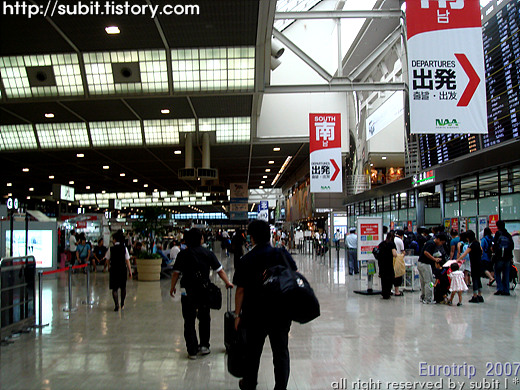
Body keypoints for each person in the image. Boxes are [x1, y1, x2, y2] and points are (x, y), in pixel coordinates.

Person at [233, 220, 297, 390]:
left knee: (252, 352)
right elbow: (294, 275)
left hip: (254, 314)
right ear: (269, 235)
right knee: (281, 352)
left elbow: (240, 290)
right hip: (280, 312)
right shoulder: (281, 254)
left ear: (251, 238)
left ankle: (249, 383)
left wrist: (237, 314)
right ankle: (280, 387)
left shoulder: (246, 259)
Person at [170, 228, 233, 359]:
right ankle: (204, 346)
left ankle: (192, 350)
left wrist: (172, 287)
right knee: (204, 318)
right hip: (204, 291)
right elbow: (219, 271)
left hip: (187, 292)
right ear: (201, 239)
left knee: (189, 320)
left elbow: (176, 273)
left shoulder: (183, 254)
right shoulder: (207, 253)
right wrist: (227, 282)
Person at [417, 233, 447, 304]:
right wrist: (434, 259)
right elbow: (426, 252)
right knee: (429, 282)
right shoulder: (432, 244)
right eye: (441, 242)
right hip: (425, 265)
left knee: (423, 282)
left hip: (420, 263)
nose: (440, 244)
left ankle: (423, 296)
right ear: (438, 239)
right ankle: (428, 299)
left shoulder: (429, 242)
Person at [106, 230, 132, 311]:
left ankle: (116, 305)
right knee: (123, 287)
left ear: (115, 239)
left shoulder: (111, 249)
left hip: (114, 269)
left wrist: (108, 266)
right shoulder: (124, 249)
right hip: (122, 269)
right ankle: (122, 303)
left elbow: (107, 259)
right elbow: (127, 260)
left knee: (114, 288)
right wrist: (130, 271)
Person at [457, 230, 484, 303]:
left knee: (474, 279)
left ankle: (475, 296)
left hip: (474, 264)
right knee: (478, 279)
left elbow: (464, 254)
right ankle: (480, 295)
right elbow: (481, 250)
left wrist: (457, 260)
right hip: (479, 263)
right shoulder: (477, 243)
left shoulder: (471, 245)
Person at [492, 220, 514, 296]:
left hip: (499, 257)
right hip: (507, 258)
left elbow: (494, 245)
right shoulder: (508, 235)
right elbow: (512, 246)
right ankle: (506, 290)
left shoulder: (498, 234)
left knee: (497, 273)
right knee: (506, 274)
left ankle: (500, 289)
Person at [378, 231, 397, 299]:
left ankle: (384, 292)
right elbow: (395, 254)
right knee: (389, 278)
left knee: (383, 279)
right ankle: (388, 293)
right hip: (389, 263)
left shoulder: (381, 243)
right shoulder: (391, 244)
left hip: (381, 263)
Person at [393, 230, 405, 296]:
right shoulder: (400, 241)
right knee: (398, 274)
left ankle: (390, 289)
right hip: (397, 259)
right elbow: (403, 251)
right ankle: (397, 291)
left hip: (390, 259)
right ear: (402, 235)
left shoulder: (392, 239)